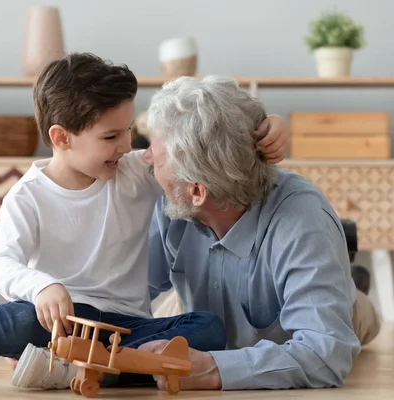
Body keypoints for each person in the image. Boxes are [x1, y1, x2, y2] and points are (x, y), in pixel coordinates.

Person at [0, 53, 287, 392]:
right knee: (10, 320)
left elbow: (192, 157)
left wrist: (264, 129)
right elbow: (2, 265)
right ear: (61, 138)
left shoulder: (132, 171)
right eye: (111, 135)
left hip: (127, 327)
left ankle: (75, 368)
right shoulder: (27, 198)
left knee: (207, 328)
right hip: (58, 322)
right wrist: (40, 285)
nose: (128, 144)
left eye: (130, 130)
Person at [137, 75, 382, 391]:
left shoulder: (303, 221)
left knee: (355, 318)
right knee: (176, 315)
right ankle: (335, 268)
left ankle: (347, 282)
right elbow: (129, 290)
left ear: (197, 191)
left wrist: (215, 369)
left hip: (332, 308)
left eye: (155, 158)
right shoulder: (173, 201)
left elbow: (326, 353)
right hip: (198, 309)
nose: (144, 159)